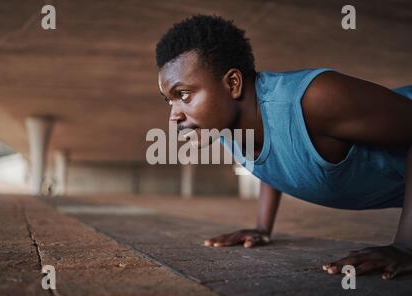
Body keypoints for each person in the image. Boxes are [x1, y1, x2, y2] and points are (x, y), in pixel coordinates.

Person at [155, 15, 412, 280]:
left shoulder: (315, 98)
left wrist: (406, 246)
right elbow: (276, 155)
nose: (174, 116)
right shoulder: (225, 127)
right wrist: (262, 227)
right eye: (169, 101)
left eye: (183, 95)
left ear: (232, 83)